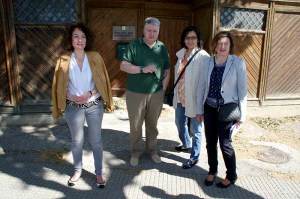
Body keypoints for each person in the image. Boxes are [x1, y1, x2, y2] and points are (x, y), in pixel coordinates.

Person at [52, 23, 113, 188]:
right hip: (73, 106)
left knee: (96, 141)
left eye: (83, 37)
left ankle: (99, 173)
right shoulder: (64, 59)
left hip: (93, 105)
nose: (80, 40)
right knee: (76, 141)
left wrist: (90, 94)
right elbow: (59, 84)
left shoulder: (95, 57)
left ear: (87, 40)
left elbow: (102, 81)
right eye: (76, 36)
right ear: (71, 40)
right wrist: (67, 95)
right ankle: (77, 170)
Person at [196, 31, 247, 188]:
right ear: (215, 46)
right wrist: (199, 110)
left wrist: (242, 115)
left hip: (227, 110)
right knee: (210, 142)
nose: (222, 46)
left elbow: (242, 91)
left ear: (230, 46)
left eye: (226, 44)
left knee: (225, 144)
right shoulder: (207, 62)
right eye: (219, 44)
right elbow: (201, 87)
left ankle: (231, 175)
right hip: (209, 108)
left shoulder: (237, 63)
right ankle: (212, 171)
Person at [120, 17, 170, 166]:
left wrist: (164, 88)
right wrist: (142, 69)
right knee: (135, 125)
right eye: (149, 30)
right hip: (135, 93)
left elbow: (167, 69)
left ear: (158, 31)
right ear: (144, 30)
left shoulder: (162, 47)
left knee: (152, 124)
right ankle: (135, 152)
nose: (151, 33)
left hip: (156, 94)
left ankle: (152, 150)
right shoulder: (134, 45)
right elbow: (123, 65)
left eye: (155, 31)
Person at [173, 26, 210, 169]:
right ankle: (186, 144)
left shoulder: (203, 56)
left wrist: (203, 103)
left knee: (196, 129)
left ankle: (194, 157)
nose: (190, 40)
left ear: (198, 39)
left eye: (193, 37)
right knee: (179, 122)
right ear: (184, 39)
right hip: (180, 97)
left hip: (195, 100)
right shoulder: (181, 54)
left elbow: (206, 81)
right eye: (187, 37)